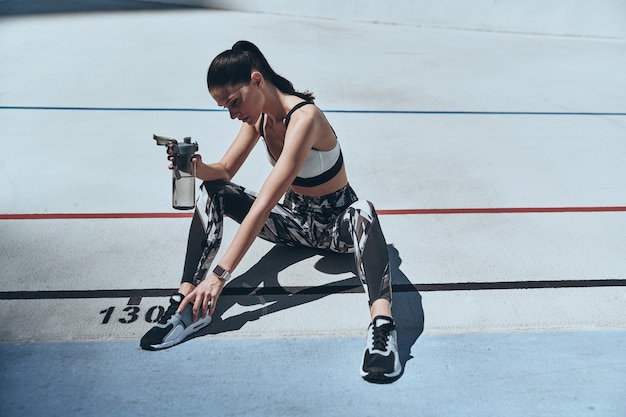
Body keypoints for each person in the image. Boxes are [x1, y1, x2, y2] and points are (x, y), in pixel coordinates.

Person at [140, 40, 401, 382]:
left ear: (257, 80)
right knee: (213, 190)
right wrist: (196, 167)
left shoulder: (305, 117)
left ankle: (383, 330)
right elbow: (224, 171)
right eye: (225, 108)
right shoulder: (259, 118)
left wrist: (220, 276)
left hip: (337, 227)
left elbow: (265, 201)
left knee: (364, 210)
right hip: (294, 224)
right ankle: (187, 299)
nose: (233, 113)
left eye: (234, 102)